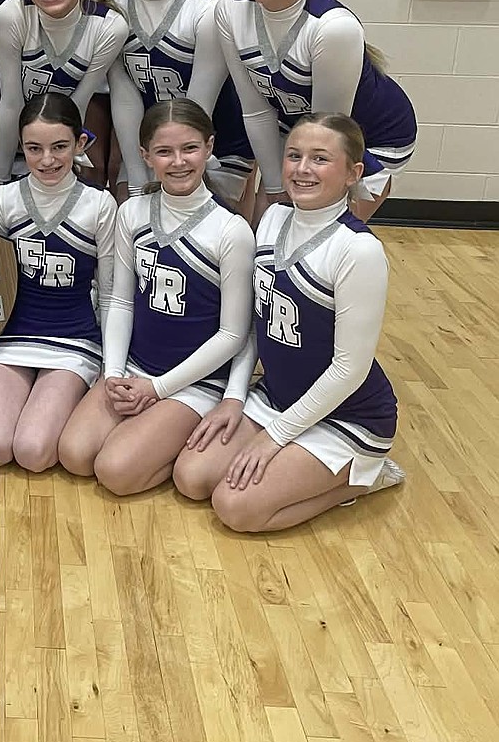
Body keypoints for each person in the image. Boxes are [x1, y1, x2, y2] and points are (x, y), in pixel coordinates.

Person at [172, 114, 404, 531]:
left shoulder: (358, 251)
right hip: (277, 399)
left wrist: (273, 437)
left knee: (235, 507)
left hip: (348, 414)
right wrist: (234, 397)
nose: (302, 168)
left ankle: (365, 476)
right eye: (294, 155)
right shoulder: (274, 219)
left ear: (353, 173)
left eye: (320, 159)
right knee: (191, 477)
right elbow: (255, 327)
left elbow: (349, 369)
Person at [58, 101, 254, 495]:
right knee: (74, 455)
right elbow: (121, 300)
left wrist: (159, 390)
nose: (178, 162)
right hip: (135, 370)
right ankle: (151, 435)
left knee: (115, 471)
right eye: (164, 152)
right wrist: (113, 372)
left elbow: (234, 334)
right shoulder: (132, 212)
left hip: (194, 380)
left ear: (210, 147)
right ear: (145, 156)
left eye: (190, 148)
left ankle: (173, 440)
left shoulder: (231, 231)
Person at [217, 0, 416, 220]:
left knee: (315, 237)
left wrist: (289, 197)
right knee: (267, 231)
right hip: (296, 123)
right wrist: (273, 187)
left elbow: (327, 133)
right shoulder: (229, 11)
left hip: (368, 136)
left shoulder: (333, 28)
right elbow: (255, 110)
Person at [0, 95, 116, 472]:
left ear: (81, 144)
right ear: (21, 147)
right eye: (34, 149)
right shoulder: (5, 200)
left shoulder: (100, 205)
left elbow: (111, 292)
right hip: (13, 337)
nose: (47, 160)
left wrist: (111, 365)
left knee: (33, 450)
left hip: (72, 339)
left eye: (59, 147)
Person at [107, 0, 251, 203]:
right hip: (150, 150)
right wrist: (135, 179)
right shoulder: (114, 12)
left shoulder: (209, 11)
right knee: (129, 216)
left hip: (218, 149)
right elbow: (125, 100)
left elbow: (198, 110)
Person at [0, 0, 126, 204]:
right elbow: (10, 103)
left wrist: (61, 159)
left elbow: (77, 106)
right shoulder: (13, 15)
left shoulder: (109, 27)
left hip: (58, 137)